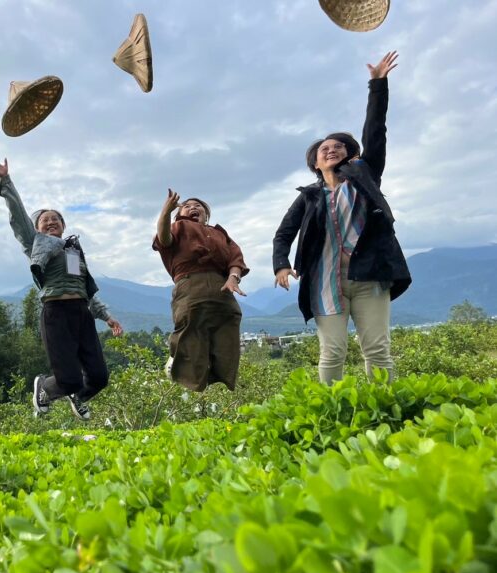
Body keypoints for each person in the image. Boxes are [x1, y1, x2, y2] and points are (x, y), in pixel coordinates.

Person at [272, 51, 411, 384]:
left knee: (377, 349)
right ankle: (330, 415)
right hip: (323, 282)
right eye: (324, 149)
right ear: (316, 163)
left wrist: (377, 84)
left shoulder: (364, 176)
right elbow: (284, 233)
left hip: (369, 276)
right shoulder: (309, 197)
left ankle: (384, 410)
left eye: (338, 147)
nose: (331, 150)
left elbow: (376, 131)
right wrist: (280, 264)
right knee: (331, 352)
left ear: (352, 155)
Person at [0, 155, 123, 420]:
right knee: (69, 378)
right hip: (56, 312)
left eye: (56, 220)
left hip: (82, 313)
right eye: (45, 220)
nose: (51, 222)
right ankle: (44, 387)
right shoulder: (34, 243)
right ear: (37, 228)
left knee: (99, 377)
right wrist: (6, 180)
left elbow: (86, 287)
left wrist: (106, 316)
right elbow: (18, 217)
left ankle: (77, 397)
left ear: (64, 226)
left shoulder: (74, 252)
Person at [153, 190, 249, 391]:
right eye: (187, 205)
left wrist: (233, 277)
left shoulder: (220, 234)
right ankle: (181, 367)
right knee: (191, 325)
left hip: (222, 286)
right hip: (190, 284)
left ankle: (219, 379)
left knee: (229, 323)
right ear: (180, 213)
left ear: (206, 215)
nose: (193, 207)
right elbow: (163, 239)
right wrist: (166, 212)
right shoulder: (177, 227)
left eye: (199, 206)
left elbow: (235, 259)